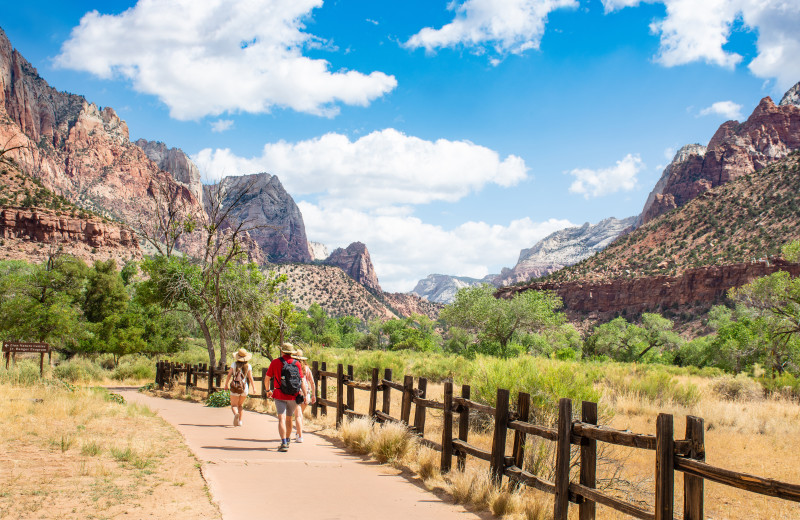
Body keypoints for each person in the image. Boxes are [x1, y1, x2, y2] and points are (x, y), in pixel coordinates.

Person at [266, 343, 304, 451]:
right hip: (293, 396)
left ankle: (283, 442)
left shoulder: (275, 362)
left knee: (281, 418)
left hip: (279, 394)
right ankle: (287, 439)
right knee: (289, 419)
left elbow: (267, 378)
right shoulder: (297, 364)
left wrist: (268, 390)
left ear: (282, 351)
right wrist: (304, 394)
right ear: (292, 353)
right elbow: (301, 381)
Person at [224, 348, 256, 427]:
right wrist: (254, 388)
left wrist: (226, 384)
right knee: (240, 405)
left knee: (234, 405)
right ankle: (240, 421)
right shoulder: (248, 366)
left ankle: (236, 414)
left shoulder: (233, 365)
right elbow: (250, 377)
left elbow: (229, 375)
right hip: (244, 388)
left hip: (235, 387)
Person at [291, 349, 316, 443]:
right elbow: (312, 382)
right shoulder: (306, 368)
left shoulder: (292, 367)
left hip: (297, 393)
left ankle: (299, 434)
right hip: (306, 394)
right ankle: (298, 433)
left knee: (298, 415)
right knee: (300, 414)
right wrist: (313, 395)